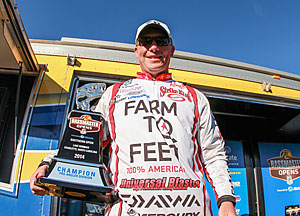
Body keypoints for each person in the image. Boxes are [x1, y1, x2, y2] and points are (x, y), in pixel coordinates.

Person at [30, 20, 237, 216]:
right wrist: (48, 164)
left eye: (161, 41)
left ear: (171, 50)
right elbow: (85, 140)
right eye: (146, 42)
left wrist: (226, 200)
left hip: (192, 209)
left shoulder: (194, 97)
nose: (154, 47)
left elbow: (213, 153)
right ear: (136, 50)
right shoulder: (114, 94)